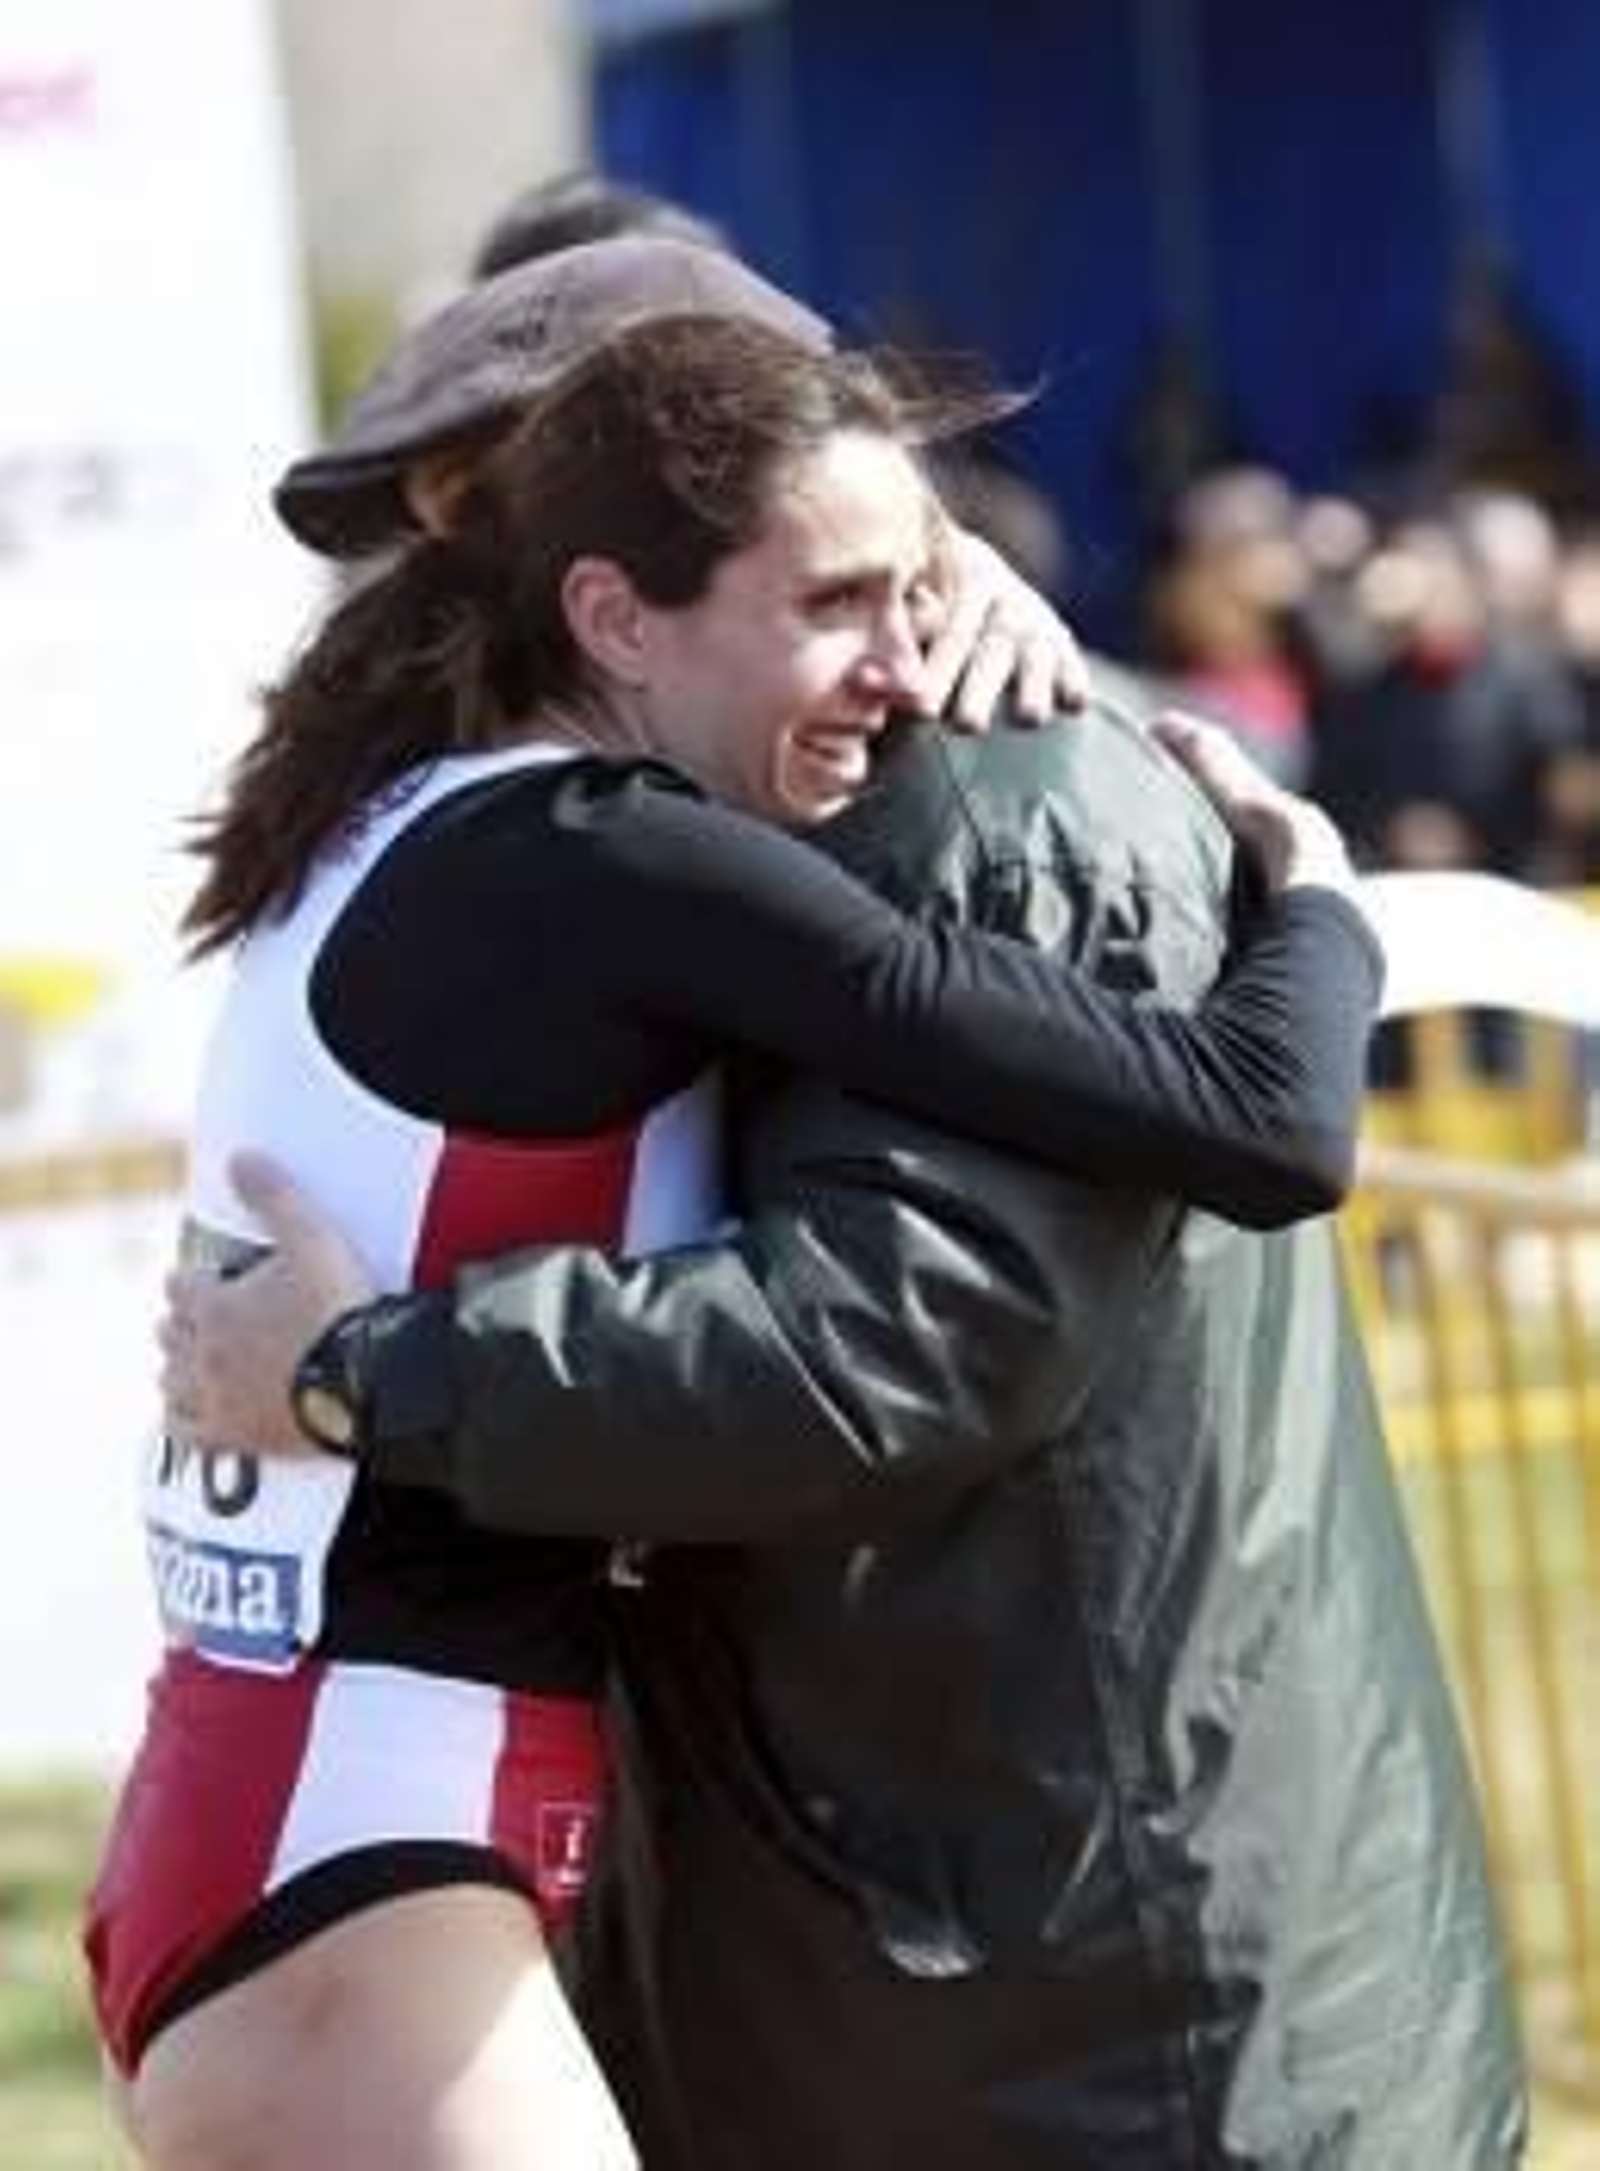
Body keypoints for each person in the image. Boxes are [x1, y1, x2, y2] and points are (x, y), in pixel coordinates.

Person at [101, 243, 1385, 2171]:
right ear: (606, 605)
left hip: (329, 1821)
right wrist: (1319, 883)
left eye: (910, 584)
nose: (901, 658)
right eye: (837, 596)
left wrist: (933, 587)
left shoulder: (414, 810)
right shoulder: (605, 861)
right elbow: (1263, 1122)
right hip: (362, 1856)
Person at [162, 697, 1526, 2169]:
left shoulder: (994, 814)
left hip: (1095, 1992)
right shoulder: (594, 815)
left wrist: (371, 1372)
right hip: (569, 1872)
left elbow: (899, 1338)